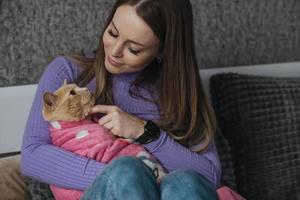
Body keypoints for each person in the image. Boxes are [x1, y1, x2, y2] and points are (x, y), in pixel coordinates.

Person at [21, 0, 221, 199]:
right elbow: (32, 156)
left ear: (163, 50)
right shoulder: (70, 71)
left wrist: (145, 133)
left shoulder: (180, 95)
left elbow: (210, 178)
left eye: (133, 49)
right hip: (105, 189)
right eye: (112, 33)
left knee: (185, 183)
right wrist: (133, 177)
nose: (114, 51)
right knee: (127, 170)